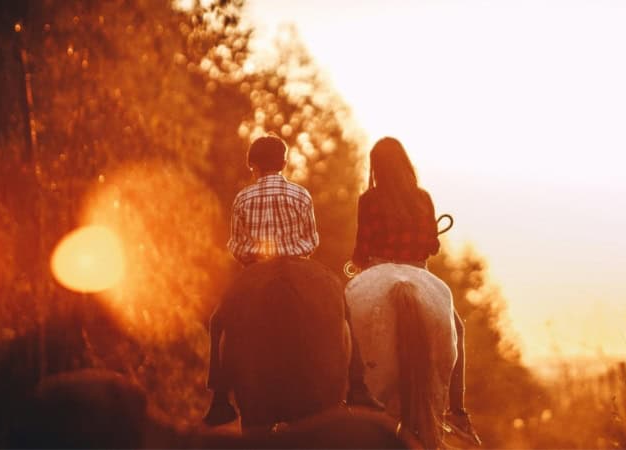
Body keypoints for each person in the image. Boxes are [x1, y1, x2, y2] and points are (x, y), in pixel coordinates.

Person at [204, 135, 382, 427]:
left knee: (217, 321)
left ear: (252, 165)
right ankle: (358, 385)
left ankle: (220, 397)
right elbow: (311, 239)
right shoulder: (301, 195)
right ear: (284, 163)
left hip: (254, 268)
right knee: (343, 309)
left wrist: (251, 259)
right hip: (301, 264)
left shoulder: (242, 198)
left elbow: (236, 245)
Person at [351, 137, 481, 445]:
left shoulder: (368, 200)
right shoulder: (421, 198)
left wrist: (361, 262)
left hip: (376, 265)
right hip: (418, 268)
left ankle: (346, 394)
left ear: (376, 168)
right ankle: (457, 412)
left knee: (342, 325)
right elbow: (431, 246)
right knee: (458, 331)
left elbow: (361, 249)